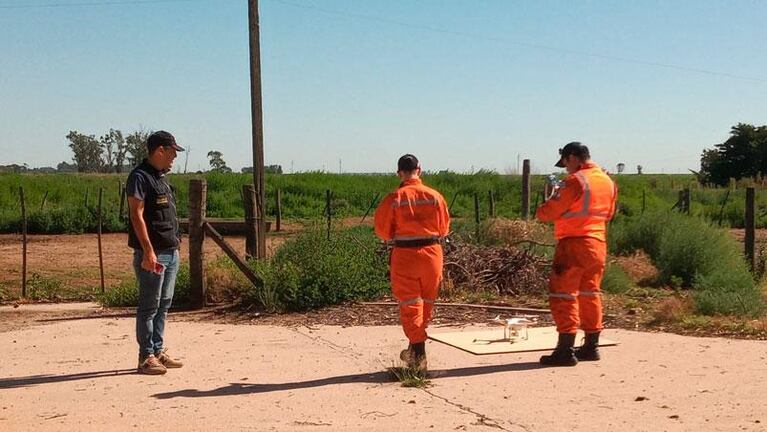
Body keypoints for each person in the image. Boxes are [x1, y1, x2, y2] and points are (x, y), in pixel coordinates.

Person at [536, 142, 618, 366]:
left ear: (573, 158)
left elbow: (548, 213)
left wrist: (545, 204)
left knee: (563, 294)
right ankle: (591, 346)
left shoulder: (575, 180)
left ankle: (565, 350)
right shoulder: (607, 181)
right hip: (597, 243)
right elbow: (610, 213)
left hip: (573, 244)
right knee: (590, 293)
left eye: (565, 163)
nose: (565, 168)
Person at [374, 154, 450, 372]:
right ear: (420, 169)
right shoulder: (435, 196)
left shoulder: (394, 198)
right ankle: (414, 350)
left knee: (410, 305)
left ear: (399, 173)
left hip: (405, 255)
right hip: (432, 254)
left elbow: (382, 231)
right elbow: (444, 228)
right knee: (426, 304)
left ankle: (418, 356)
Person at [126, 130, 186, 375]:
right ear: (160, 150)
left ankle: (158, 350)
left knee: (164, 304)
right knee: (149, 306)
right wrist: (148, 251)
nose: (174, 157)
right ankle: (146, 356)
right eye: (172, 152)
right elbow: (136, 215)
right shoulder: (140, 177)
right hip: (153, 254)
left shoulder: (161, 178)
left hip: (170, 251)